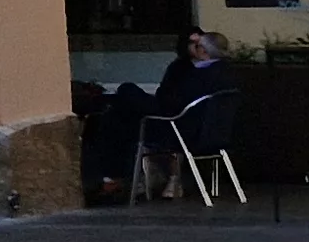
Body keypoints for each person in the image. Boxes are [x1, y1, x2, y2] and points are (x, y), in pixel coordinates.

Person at [81, 29, 233, 199]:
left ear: (204, 51)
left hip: (178, 127)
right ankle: (119, 175)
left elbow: (174, 100)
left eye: (197, 45)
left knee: (125, 93)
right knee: (118, 115)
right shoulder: (222, 72)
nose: (194, 48)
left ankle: (114, 176)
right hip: (190, 126)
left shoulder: (201, 73)